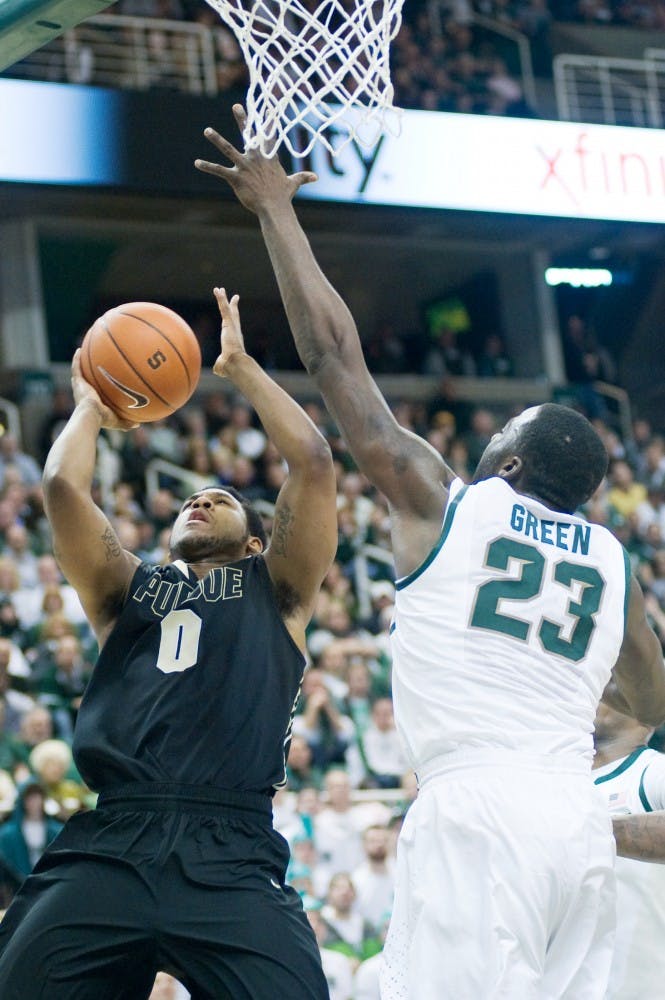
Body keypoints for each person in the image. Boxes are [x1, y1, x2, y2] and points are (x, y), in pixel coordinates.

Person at [195, 106, 665, 999]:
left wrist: (275, 211)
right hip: (577, 819)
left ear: (512, 464)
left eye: (497, 442)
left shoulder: (451, 503)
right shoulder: (614, 563)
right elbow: (649, 697)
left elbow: (335, 359)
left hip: (478, 810)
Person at [0, 288, 338, 999]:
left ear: (252, 539)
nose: (200, 499)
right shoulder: (130, 590)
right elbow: (63, 485)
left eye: (220, 499)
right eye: (192, 498)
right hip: (114, 838)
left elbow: (310, 460)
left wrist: (241, 368)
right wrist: (93, 403)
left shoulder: (276, 587)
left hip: (232, 849)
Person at [593, 690, 665, 998]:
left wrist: (587, 831)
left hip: (635, 985)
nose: (601, 689)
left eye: (616, 680)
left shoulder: (651, 771)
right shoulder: (550, 781)